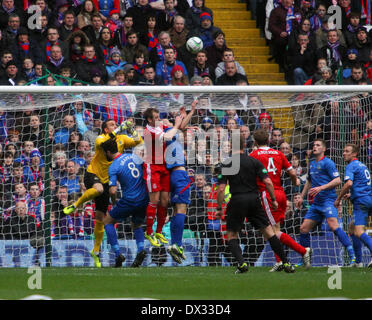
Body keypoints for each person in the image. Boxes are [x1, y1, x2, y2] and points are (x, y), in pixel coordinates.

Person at [63, 119, 143, 267]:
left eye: (115, 124)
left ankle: (96, 251)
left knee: (100, 217)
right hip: (92, 174)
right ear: (106, 129)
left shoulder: (122, 139)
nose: (114, 126)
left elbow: (138, 141)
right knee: (98, 189)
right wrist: (120, 128)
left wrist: (131, 130)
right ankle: (75, 204)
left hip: (108, 180)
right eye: (111, 125)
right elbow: (101, 144)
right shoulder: (101, 138)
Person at [216, 133, 295, 274]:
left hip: (237, 200)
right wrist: (273, 199)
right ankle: (286, 262)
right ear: (245, 145)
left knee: (232, 235)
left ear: (231, 146)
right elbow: (268, 181)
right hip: (254, 200)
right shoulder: (253, 161)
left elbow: (221, 188)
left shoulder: (227, 163)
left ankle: (241, 264)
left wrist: (219, 207)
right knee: (269, 233)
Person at [250, 129, 312, 271]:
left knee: (272, 231)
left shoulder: (254, 155)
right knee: (275, 228)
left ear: (255, 142)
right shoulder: (278, 153)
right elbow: (292, 172)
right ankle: (279, 261)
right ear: (269, 140)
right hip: (281, 193)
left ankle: (303, 251)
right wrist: (295, 181)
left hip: (268, 194)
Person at [296, 138, 356, 266]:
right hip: (316, 203)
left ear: (324, 149)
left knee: (334, 226)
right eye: (313, 145)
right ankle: (305, 258)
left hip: (328, 200)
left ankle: (352, 255)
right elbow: (309, 181)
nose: (314, 147)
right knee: (303, 229)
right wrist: (301, 196)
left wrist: (321, 188)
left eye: (318, 145)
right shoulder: (311, 163)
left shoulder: (328, 163)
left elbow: (338, 181)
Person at [101, 138, 149, 268]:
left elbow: (112, 190)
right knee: (136, 224)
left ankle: (118, 254)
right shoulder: (132, 156)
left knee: (107, 221)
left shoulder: (114, 166)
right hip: (144, 198)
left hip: (129, 200)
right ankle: (140, 250)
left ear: (109, 152)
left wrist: (114, 201)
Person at [142, 107, 183, 247]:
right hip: (152, 167)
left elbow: (177, 128)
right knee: (154, 200)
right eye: (156, 117)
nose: (159, 119)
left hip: (164, 166)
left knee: (165, 201)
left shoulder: (159, 125)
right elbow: (169, 136)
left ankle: (159, 231)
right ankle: (148, 232)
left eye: (159, 116)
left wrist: (181, 115)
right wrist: (176, 124)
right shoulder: (148, 131)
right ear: (149, 119)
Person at [164, 101, 197, 264]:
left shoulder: (172, 132)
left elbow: (181, 127)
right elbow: (176, 129)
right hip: (179, 175)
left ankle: (174, 245)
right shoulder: (167, 133)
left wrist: (190, 112)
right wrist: (177, 122)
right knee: (181, 209)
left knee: (176, 211)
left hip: (172, 176)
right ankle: (177, 243)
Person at [334, 144, 372, 268]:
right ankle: (358, 262)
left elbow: (348, 183)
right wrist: (351, 195)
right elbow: (362, 184)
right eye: (344, 151)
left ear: (354, 154)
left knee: (359, 231)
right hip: (368, 199)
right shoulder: (363, 165)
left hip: (361, 202)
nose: (344, 153)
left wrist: (338, 198)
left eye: (347, 151)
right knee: (351, 228)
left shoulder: (351, 166)